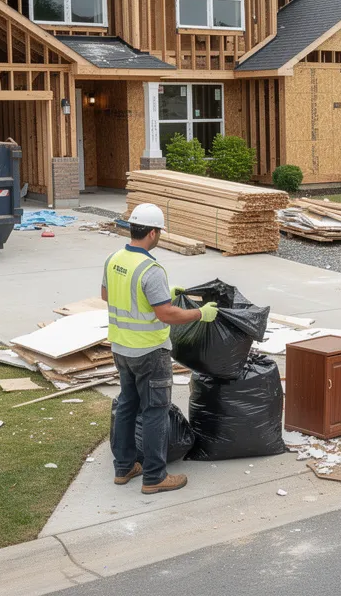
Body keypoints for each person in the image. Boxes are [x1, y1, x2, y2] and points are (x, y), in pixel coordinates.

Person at [102, 203, 218, 495]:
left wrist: (161, 295)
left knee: (128, 404)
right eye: (159, 233)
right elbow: (166, 315)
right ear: (153, 232)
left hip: (121, 348)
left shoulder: (114, 258)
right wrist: (199, 314)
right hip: (149, 352)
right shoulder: (151, 269)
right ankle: (154, 477)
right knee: (155, 411)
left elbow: (107, 294)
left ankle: (124, 467)